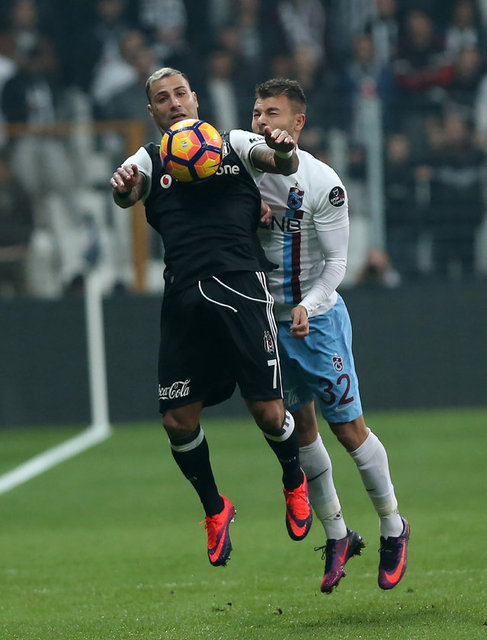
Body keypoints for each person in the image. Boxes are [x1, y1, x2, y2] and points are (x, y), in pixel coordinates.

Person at [110, 67, 312, 568]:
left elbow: (279, 162)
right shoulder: (150, 157)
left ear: (196, 99)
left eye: (180, 93)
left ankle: (294, 480)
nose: (174, 102)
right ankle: (215, 508)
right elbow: (126, 192)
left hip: (241, 287)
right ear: (152, 112)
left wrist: (284, 148)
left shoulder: (233, 142)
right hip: (184, 299)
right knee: (177, 421)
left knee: (269, 413)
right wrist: (123, 186)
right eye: (162, 98)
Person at [252, 78, 409, 592]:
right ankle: (338, 534)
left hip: (316, 322)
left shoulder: (323, 183)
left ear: (298, 123)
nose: (261, 122)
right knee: (299, 431)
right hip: (268, 323)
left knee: (348, 430)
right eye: (257, 113)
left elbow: (337, 263)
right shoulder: (243, 167)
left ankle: (393, 525)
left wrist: (307, 305)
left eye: (272, 113)